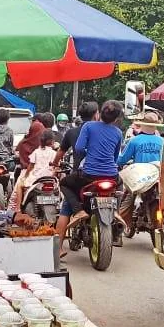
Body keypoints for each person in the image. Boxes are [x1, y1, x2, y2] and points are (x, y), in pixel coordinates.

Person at [55, 100, 124, 255]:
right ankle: (116, 210)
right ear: (116, 118)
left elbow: (78, 149)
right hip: (111, 176)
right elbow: (115, 158)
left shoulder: (87, 127)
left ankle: (78, 212)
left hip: (88, 176)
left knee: (64, 184)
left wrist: (90, 153)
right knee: (121, 184)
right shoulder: (118, 132)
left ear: (100, 113)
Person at [57, 101, 99, 170]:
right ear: (96, 115)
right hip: (102, 173)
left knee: (64, 181)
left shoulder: (71, 132)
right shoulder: (104, 131)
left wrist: (55, 163)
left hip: (79, 174)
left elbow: (61, 151)